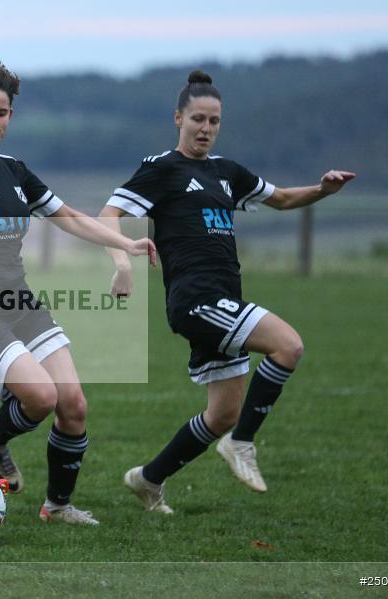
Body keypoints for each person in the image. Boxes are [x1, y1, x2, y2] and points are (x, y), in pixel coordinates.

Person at [0, 60, 156, 526]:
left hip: (19, 300)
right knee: (39, 397)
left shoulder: (16, 172)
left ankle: (57, 507)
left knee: (73, 403)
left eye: (2, 112)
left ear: (11, 116)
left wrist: (125, 244)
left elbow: (71, 217)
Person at [99, 70, 355, 514]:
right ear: (178, 118)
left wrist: (322, 190)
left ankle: (149, 478)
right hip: (195, 300)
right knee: (288, 346)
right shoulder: (162, 169)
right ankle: (241, 445)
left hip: (224, 300)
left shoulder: (226, 172)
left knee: (222, 413)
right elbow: (108, 215)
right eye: (198, 118)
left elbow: (281, 199)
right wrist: (123, 261)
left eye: (214, 121)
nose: (206, 128)